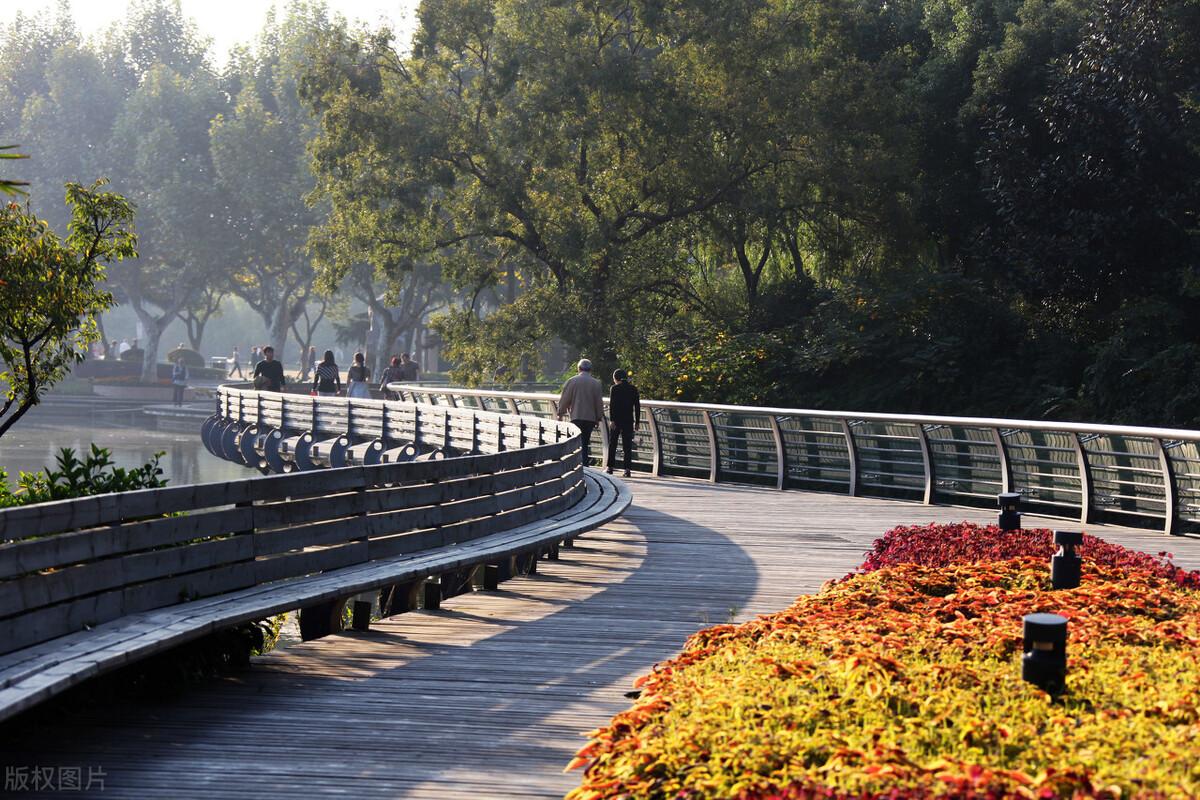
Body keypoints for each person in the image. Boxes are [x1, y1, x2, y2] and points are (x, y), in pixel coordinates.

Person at [556, 358, 605, 466]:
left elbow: (565, 399)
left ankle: (578, 465)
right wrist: (598, 417)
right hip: (590, 418)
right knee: (585, 441)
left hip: (576, 416)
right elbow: (598, 402)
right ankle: (585, 464)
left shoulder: (572, 381)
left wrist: (560, 413)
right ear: (590, 369)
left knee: (576, 442)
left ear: (579, 368)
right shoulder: (596, 383)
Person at [607, 369, 641, 477]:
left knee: (613, 444)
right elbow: (637, 406)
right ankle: (627, 470)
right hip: (628, 420)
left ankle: (610, 468)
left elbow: (612, 405)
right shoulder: (633, 389)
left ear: (616, 378)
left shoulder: (614, 388)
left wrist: (612, 420)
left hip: (616, 420)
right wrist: (637, 422)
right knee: (627, 446)